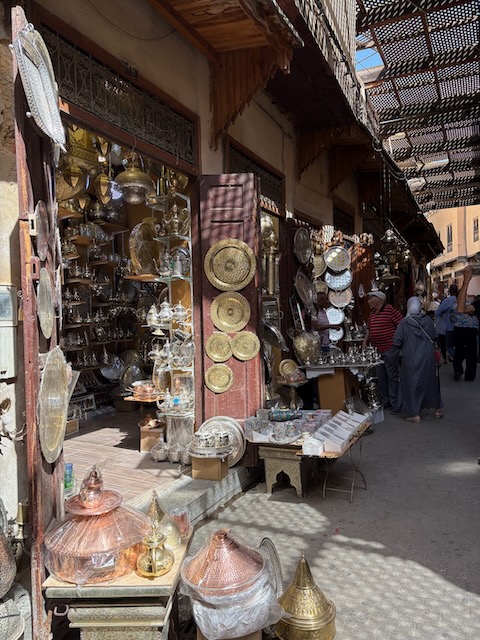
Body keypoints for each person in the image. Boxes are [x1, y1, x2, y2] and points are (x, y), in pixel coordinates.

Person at [391, 296, 443, 423]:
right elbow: (435, 335)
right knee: (431, 382)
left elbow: (397, 341)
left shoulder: (404, 323)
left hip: (410, 359)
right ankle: (437, 410)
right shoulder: (428, 320)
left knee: (412, 385)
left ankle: (415, 414)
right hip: (428, 358)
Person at [362, 290, 403, 412]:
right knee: (381, 378)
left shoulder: (389, 310)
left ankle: (395, 404)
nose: (368, 301)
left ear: (378, 299)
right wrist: (365, 341)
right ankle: (386, 402)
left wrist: (397, 341)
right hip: (377, 351)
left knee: (392, 377)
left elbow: (402, 324)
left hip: (390, 349)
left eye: (371, 299)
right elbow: (369, 329)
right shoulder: (372, 314)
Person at [435, 284, 457, 361]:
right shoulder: (460, 300)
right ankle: (457, 360)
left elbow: (437, 312)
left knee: (449, 346)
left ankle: (457, 359)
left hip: (450, 327)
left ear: (449, 291)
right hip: (460, 327)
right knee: (458, 346)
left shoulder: (447, 301)